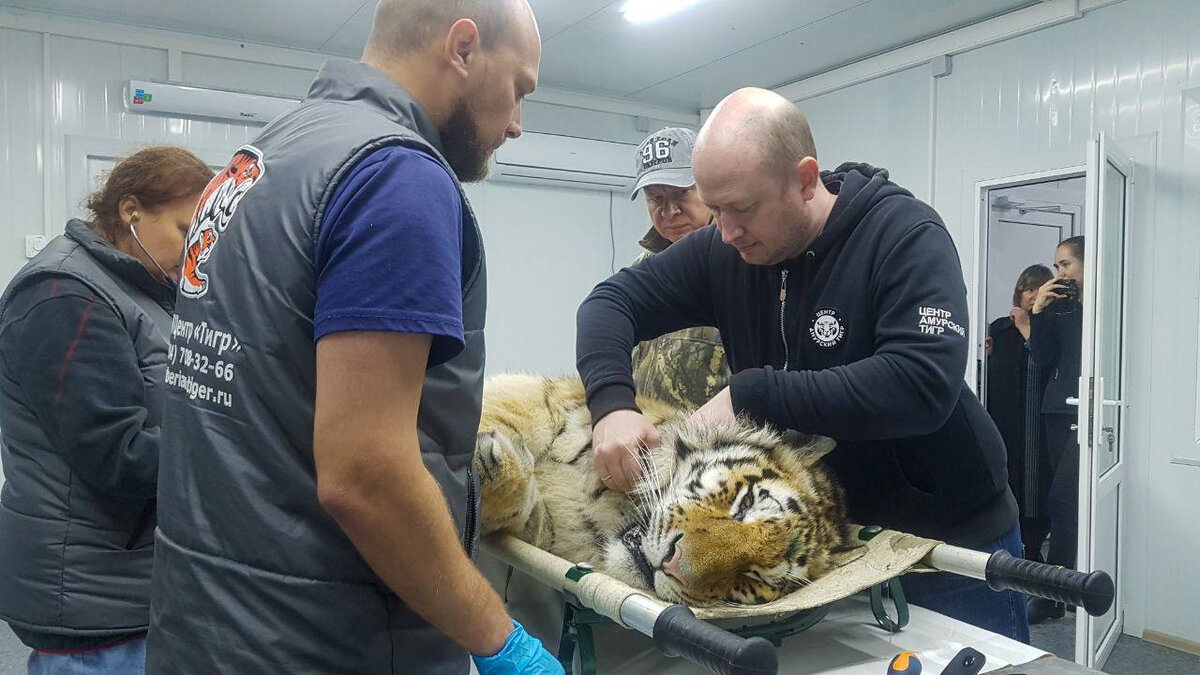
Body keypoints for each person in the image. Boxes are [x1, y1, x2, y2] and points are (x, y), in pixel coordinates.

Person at [146, 1, 561, 672]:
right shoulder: (396, 175)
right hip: (329, 643)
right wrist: (499, 639)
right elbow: (366, 475)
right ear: (462, 49)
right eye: (519, 88)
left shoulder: (262, 158)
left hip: (204, 626)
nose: (516, 122)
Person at [576, 87, 1028, 642]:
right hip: (830, 549)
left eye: (742, 209)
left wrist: (753, 395)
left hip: (951, 541)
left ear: (806, 179)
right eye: (714, 210)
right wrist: (612, 405)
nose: (726, 232)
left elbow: (922, 381)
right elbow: (609, 303)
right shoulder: (727, 249)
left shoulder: (903, 235)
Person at [0, 147, 213, 674]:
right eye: (186, 232)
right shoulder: (65, 295)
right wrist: (236, 444)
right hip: (91, 596)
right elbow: (119, 456)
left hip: (131, 578)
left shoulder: (141, 290)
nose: (195, 254)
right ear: (131, 210)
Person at [628, 127, 730, 410]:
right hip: (649, 439)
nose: (669, 211)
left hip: (719, 445)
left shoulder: (743, 259)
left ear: (708, 187)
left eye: (682, 194)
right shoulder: (643, 268)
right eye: (656, 199)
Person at [1026, 236, 1085, 624]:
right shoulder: (1060, 310)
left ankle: (1054, 593)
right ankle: (1062, 592)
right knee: (1060, 503)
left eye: (1066, 265)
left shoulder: (1103, 304)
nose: (1060, 273)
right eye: (1058, 266)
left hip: (1091, 413)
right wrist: (1039, 312)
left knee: (1065, 502)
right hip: (1055, 411)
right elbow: (1045, 358)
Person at [986, 264, 1055, 563]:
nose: (1033, 294)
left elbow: (1048, 363)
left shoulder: (1051, 329)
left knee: (1037, 490)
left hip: (1040, 426)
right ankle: (1010, 552)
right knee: (1007, 482)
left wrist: (1029, 326)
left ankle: (1034, 554)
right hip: (1004, 423)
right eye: (1028, 288)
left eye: (1039, 288)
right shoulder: (999, 328)